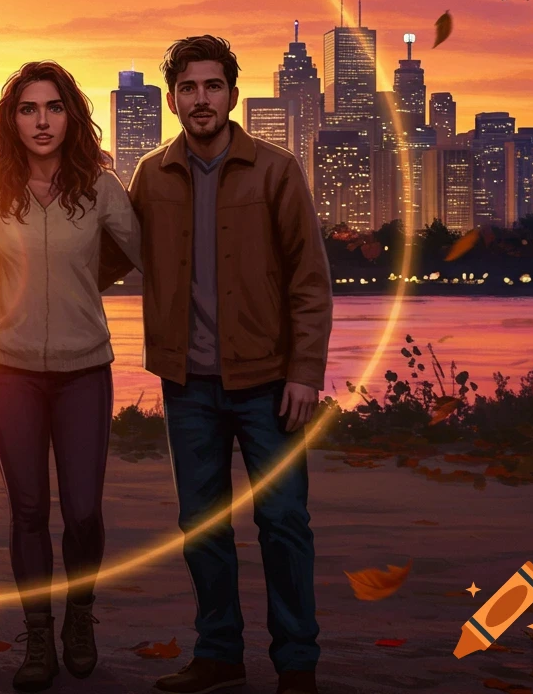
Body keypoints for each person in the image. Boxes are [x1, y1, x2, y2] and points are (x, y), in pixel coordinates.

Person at [111, 36, 332, 694]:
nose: (200, 99)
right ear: (172, 97)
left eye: (212, 86)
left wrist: (305, 371)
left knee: (285, 522)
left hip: (269, 383)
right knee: (201, 526)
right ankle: (219, 653)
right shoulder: (151, 174)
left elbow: (310, 282)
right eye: (188, 88)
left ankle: (296, 662)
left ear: (232, 94)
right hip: (189, 387)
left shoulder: (275, 169)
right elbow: (112, 249)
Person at [0, 61, 141, 692]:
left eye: (53, 108)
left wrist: (80, 289)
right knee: (28, 509)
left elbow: (137, 251)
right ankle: (38, 635)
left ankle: (78, 616)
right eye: (28, 109)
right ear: (12, 121)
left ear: (71, 116)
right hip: (11, 369)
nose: (42, 121)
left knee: (82, 511)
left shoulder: (101, 186)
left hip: (85, 369)